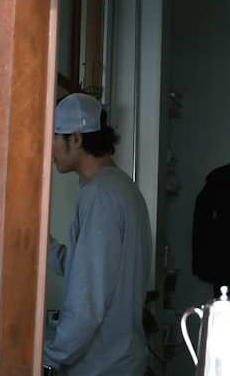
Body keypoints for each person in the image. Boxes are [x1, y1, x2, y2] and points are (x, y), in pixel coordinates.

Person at [43, 93, 153, 376]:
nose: (50, 146)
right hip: (119, 362)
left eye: (55, 136)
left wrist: (50, 359)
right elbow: (87, 270)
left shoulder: (101, 196)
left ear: (76, 139)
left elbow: (87, 300)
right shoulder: (121, 188)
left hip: (102, 367)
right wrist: (41, 245)